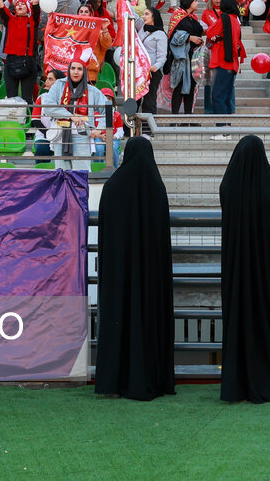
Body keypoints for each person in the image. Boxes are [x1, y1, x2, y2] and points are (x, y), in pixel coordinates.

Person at [219, 136, 270, 403]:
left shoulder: (228, 187)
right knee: (269, 325)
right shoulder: (267, 191)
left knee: (241, 323)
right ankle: (269, 386)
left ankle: (238, 386)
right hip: (267, 276)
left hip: (237, 274)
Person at [95, 136, 175, 401]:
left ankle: (114, 380)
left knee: (119, 315)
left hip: (119, 276)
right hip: (150, 277)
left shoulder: (113, 186)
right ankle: (150, 378)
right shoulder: (156, 187)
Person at [42, 53, 107, 170]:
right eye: (73, 68)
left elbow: (108, 110)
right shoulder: (59, 85)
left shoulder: (92, 91)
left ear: (84, 72)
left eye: (79, 69)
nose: (76, 72)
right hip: (60, 135)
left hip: (82, 136)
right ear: (69, 70)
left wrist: (99, 129)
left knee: (81, 173)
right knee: (62, 174)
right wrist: (70, 116)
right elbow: (48, 106)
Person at [206, 0, 245, 116]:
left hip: (222, 61)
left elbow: (210, 33)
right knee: (226, 97)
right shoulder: (235, 20)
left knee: (217, 96)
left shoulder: (224, 18)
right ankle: (226, 128)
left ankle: (222, 129)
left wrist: (216, 39)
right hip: (231, 62)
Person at [167, 0, 205, 115]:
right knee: (179, 87)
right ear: (189, 2)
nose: (197, 3)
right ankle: (174, 119)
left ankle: (188, 118)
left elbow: (199, 30)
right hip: (181, 59)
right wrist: (190, 38)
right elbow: (173, 36)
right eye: (195, 1)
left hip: (194, 57)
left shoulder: (192, 17)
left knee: (191, 88)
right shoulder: (177, 16)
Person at [140, 7, 167, 117]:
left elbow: (162, 55)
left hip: (152, 72)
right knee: (134, 99)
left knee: (149, 101)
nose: (144, 16)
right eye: (143, 14)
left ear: (153, 17)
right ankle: (130, 128)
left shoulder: (160, 34)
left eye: (146, 14)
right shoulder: (142, 29)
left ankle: (148, 129)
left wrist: (156, 66)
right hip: (139, 70)